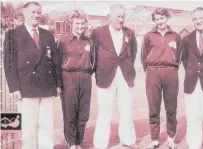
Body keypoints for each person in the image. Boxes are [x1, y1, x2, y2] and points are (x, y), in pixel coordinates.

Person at [4, 2, 61, 149]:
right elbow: (9, 64)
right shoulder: (12, 35)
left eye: (39, 13)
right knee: (29, 127)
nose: (36, 15)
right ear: (24, 13)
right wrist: (15, 88)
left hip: (47, 86)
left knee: (46, 124)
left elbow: (55, 62)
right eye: (33, 12)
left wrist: (58, 84)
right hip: (26, 87)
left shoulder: (47, 34)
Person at [91, 4, 138, 149]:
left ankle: (128, 140)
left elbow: (133, 53)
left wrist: (127, 68)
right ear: (109, 17)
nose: (121, 19)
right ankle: (100, 144)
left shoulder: (130, 33)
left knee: (126, 109)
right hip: (105, 76)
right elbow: (93, 54)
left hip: (125, 75)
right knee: (104, 111)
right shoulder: (98, 32)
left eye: (123, 16)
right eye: (118, 16)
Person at [141, 8, 181, 149]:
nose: (160, 22)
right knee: (153, 107)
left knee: (171, 108)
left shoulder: (175, 36)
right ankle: (154, 139)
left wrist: (172, 68)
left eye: (162, 18)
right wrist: (150, 71)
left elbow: (179, 55)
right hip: (153, 72)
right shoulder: (148, 36)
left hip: (171, 72)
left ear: (167, 18)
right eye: (157, 19)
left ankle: (171, 137)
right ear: (154, 20)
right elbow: (143, 56)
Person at [57, 9, 94, 149]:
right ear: (71, 24)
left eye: (82, 23)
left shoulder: (89, 41)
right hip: (68, 78)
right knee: (70, 111)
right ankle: (71, 142)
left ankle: (79, 141)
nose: (80, 26)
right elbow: (56, 63)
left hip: (85, 78)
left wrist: (86, 73)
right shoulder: (62, 40)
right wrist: (59, 84)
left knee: (84, 112)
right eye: (77, 23)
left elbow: (93, 61)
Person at [181, 7, 203, 149]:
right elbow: (185, 61)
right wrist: (193, 73)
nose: (198, 21)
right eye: (195, 19)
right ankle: (194, 144)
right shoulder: (186, 39)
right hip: (192, 84)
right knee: (193, 116)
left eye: (201, 18)